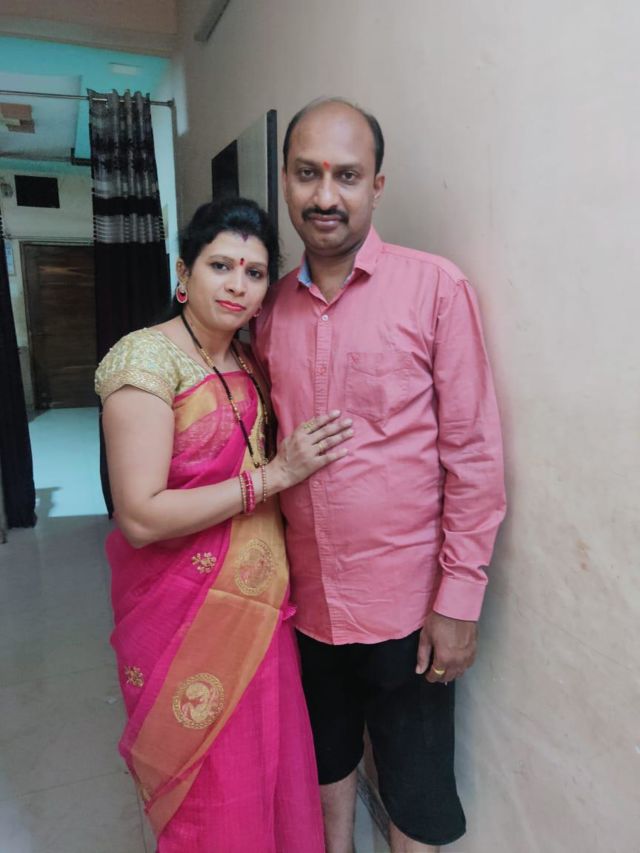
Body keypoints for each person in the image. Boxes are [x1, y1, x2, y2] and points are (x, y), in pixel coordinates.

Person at [254, 99, 507, 852]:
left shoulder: (436, 289)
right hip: (303, 603)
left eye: (347, 175)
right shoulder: (268, 309)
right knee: (323, 766)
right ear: (286, 180)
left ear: (377, 185)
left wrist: (459, 600)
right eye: (307, 173)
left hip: (409, 609)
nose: (325, 195)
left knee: (414, 795)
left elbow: (473, 454)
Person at [95, 197, 353, 852]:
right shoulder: (145, 361)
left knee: (266, 770)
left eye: (255, 272)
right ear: (184, 273)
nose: (238, 284)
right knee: (211, 794)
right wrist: (273, 477)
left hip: (261, 612)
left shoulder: (248, 360)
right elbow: (140, 515)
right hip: (181, 614)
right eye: (220, 265)